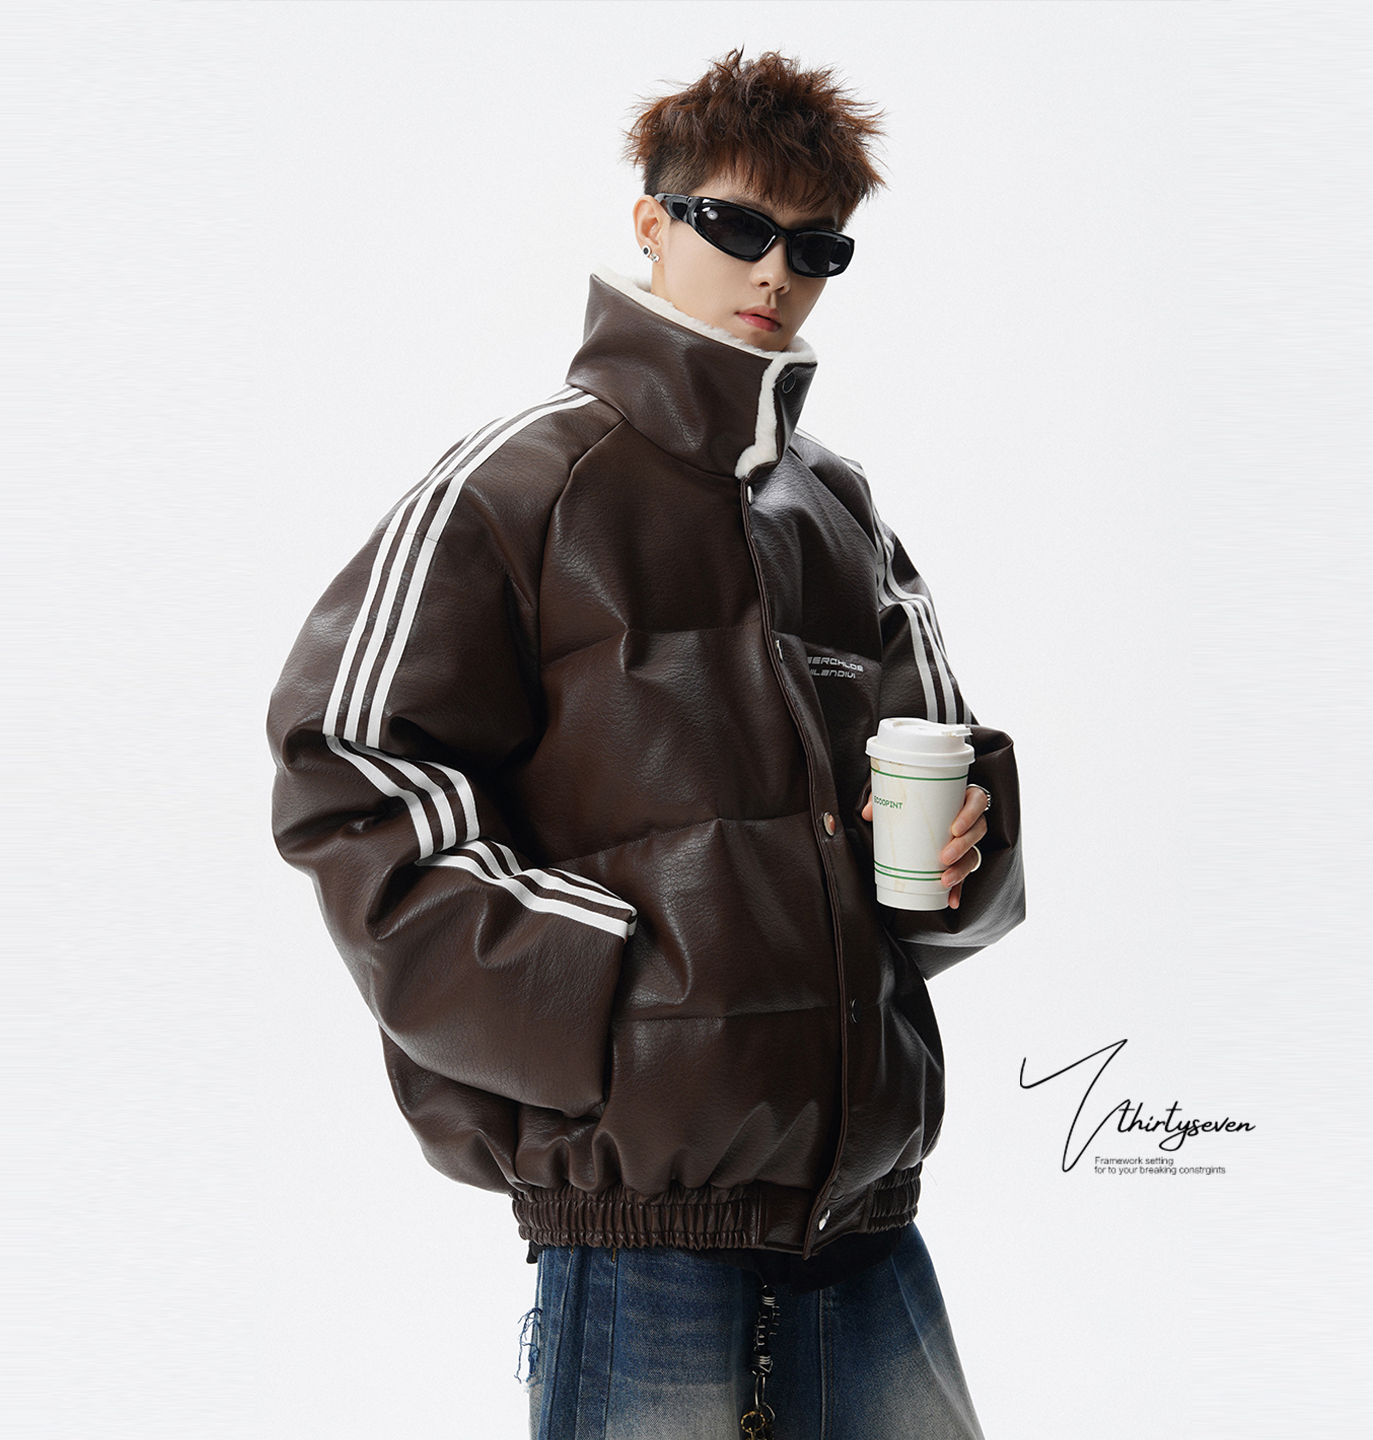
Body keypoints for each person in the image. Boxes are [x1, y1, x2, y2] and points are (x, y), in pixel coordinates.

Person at [268, 49, 1025, 1440]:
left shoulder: (842, 512)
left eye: (817, 246)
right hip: (637, 1228)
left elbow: (935, 757)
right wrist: (602, 992)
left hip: (862, 1213)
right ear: (650, 221)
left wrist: (959, 845)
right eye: (735, 224)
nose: (774, 271)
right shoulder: (515, 485)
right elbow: (351, 772)